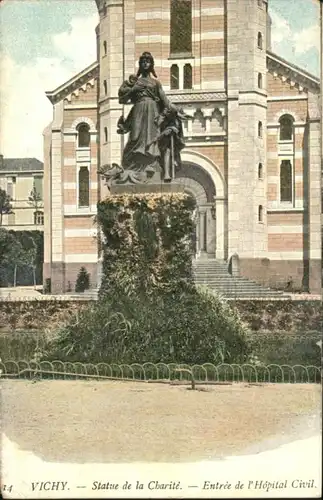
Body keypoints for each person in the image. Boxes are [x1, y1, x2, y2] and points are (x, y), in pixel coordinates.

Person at [118, 52, 173, 176]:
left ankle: (150, 166)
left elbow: (165, 102)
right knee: (134, 137)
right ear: (140, 64)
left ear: (151, 64)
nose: (145, 63)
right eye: (143, 61)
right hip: (138, 111)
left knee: (151, 138)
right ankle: (132, 167)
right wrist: (133, 90)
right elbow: (122, 99)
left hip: (152, 112)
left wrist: (162, 116)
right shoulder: (135, 82)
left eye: (148, 61)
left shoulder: (155, 83)